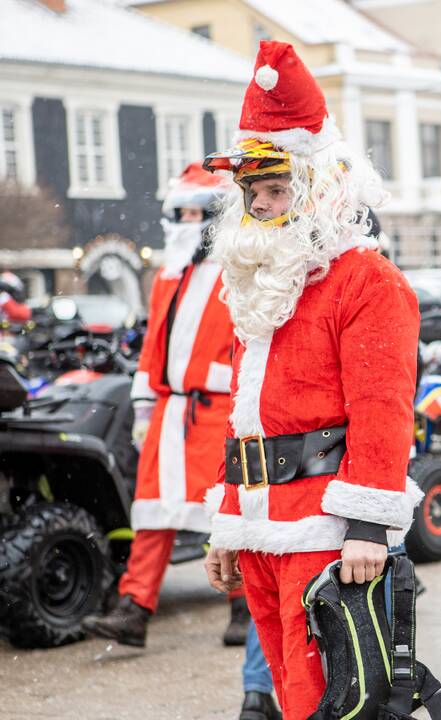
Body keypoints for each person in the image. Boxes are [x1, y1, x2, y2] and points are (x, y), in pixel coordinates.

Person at [200, 41, 421, 720]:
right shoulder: (258, 282)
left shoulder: (366, 280)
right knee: (295, 696)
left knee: (335, 700)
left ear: (319, 189)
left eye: (277, 190)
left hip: (325, 526)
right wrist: (227, 521)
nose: (263, 208)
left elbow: (383, 411)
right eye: (253, 194)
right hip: (263, 523)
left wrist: (366, 525)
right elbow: (246, 414)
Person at [82, 162, 248, 648]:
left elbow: (247, 344)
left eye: (196, 211)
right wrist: (144, 405)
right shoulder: (165, 277)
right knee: (152, 512)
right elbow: (154, 343)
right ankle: (134, 610)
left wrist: (224, 386)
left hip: (216, 411)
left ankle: (242, 606)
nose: (185, 221)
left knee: (225, 512)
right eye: (180, 211)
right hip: (169, 413)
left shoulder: (236, 271)